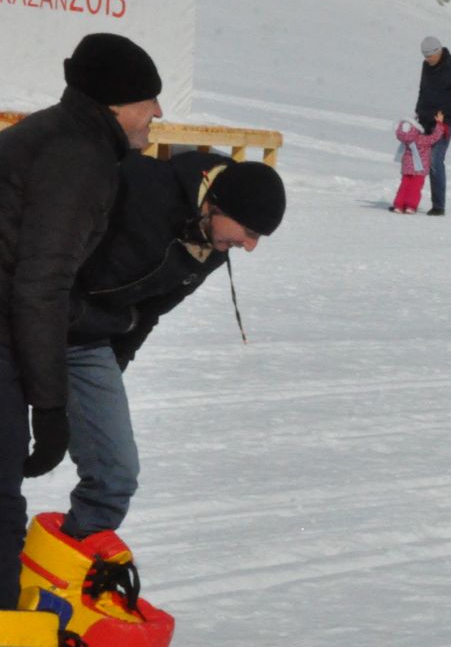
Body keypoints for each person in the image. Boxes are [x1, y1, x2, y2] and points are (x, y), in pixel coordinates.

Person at [0, 32, 164, 571]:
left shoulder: (56, 133)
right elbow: (41, 284)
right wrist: (49, 407)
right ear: (116, 104)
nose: (158, 112)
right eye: (149, 100)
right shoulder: (79, 156)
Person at [60, 154, 285, 541]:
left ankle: (66, 579)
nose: (249, 246)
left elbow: (150, 309)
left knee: (114, 476)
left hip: (86, 340)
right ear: (218, 204)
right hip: (24, 314)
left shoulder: (212, 242)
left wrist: (114, 365)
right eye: (248, 231)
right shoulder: (138, 186)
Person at [414, 36, 451, 216]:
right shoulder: (426, 66)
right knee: (415, 158)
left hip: (446, 122)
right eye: (424, 57)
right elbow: (423, 90)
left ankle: (438, 206)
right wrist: (418, 110)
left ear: (438, 51)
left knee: (434, 160)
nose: (427, 60)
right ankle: (409, 198)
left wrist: (444, 111)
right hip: (425, 119)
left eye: (430, 56)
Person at [392, 112, 446, 213]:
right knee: (415, 188)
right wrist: (439, 124)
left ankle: (399, 205)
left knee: (404, 186)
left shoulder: (405, 139)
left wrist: (414, 117)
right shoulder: (421, 139)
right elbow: (435, 137)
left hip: (407, 168)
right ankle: (410, 206)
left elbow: (407, 128)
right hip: (419, 168)